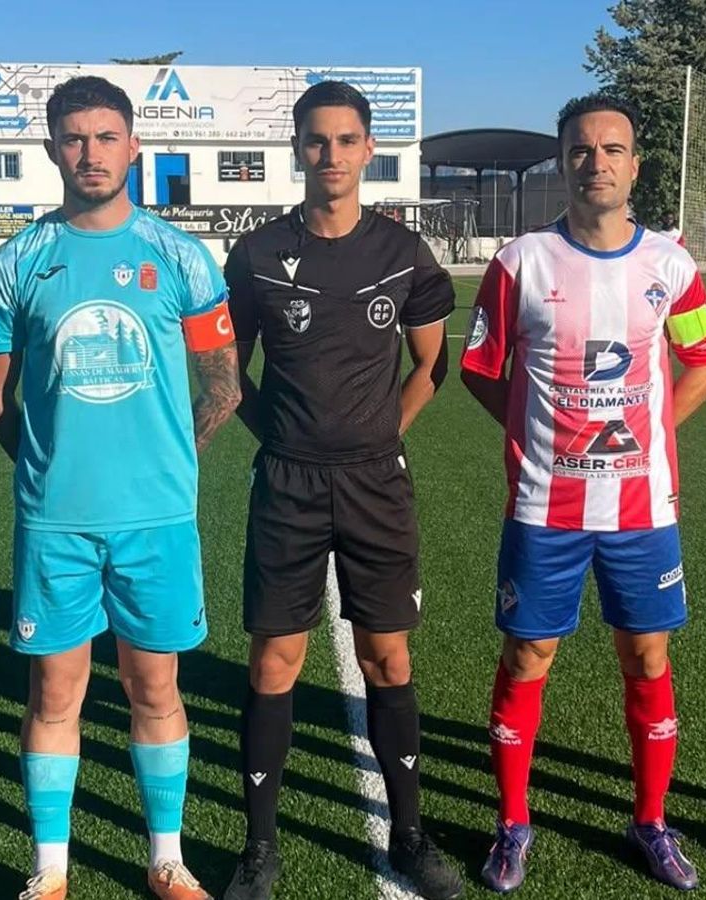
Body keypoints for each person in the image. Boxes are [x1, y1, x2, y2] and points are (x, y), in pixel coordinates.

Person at [0, 76, 240, 900]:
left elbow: (223, 387)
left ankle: (168, 859)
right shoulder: (18, 260)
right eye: (73, 137)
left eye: (105, 136)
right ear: (53, 147)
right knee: (55, 689)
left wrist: (169, 458)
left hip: (156, 519)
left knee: (153, 685)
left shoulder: (182, 257)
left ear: (133, 147)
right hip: (56, 522)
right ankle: (49, 872)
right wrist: (46, 467)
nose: (90, 152)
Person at [459, 92, 706, 893]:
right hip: (546, 507)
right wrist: (536, 432)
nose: (597, 162)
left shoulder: (670, 266)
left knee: (645, 653)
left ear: (634, 164)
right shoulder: (520, 263)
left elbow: (704, 364)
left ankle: (650, 820)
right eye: (582, 149)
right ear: (563, 160)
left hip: (643, 510)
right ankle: (513, 824)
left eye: (613, 149)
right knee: (529, 652)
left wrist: (653, 435)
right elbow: (481, 369)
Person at [218, 80, 461, 900]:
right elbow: (227, 370)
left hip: (374, 484)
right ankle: (259, 846)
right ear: (298, 148)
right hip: (285, 480)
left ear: (367, 149)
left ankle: (411, 832)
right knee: (274, 659)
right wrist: (275, 437)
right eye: (316, 141)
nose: (331, 155)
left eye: (346, 140)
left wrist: (384, 433)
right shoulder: (255, 253)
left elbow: (435, 365)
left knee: (387, 655)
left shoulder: (403, 254)